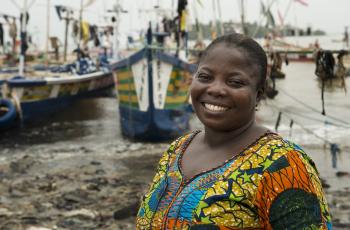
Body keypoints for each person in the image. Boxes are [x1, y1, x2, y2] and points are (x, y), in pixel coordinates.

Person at [136, 33, 332, 229]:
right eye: (205, 77)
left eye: (235, 82)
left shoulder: (283, 164)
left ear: (258, 95)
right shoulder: (177, 149)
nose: (215, 89)